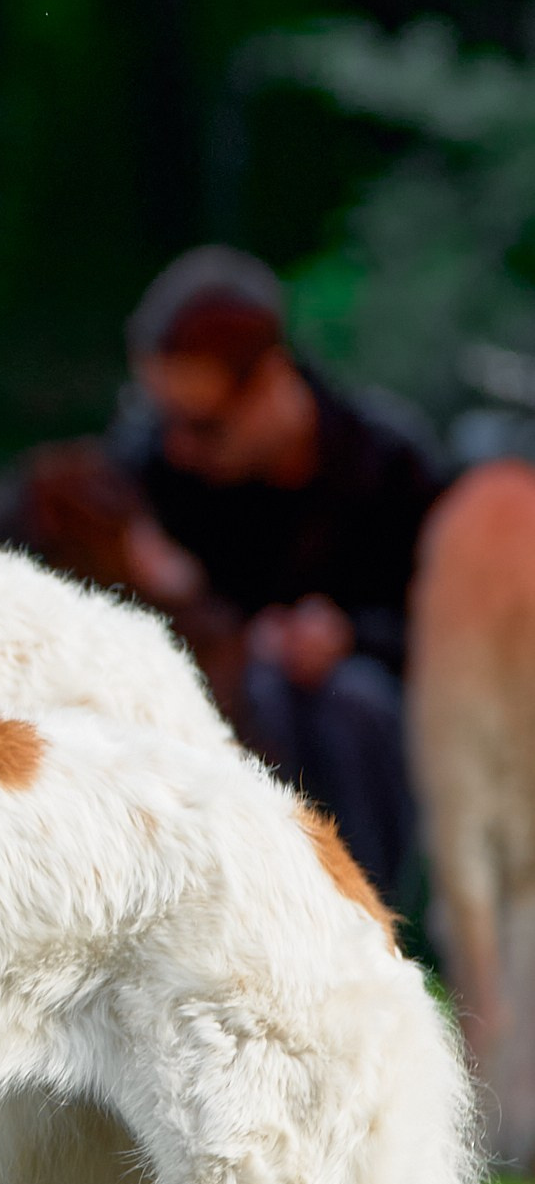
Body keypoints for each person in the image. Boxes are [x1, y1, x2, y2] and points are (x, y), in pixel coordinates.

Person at [111, 246, 445, 902]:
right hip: (219, 710)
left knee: (346, 699)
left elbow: (443, 632)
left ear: (269, 383)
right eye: (164, 420)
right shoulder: (148, 469)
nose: (178, 446)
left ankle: (367, 919)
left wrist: (348, 636)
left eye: (202, 427)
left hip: (370, 723)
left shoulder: (384, 460)